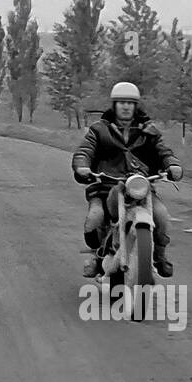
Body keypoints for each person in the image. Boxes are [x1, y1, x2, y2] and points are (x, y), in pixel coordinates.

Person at [72, 82, 183, 278]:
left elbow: (163, 150)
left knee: (162, 216)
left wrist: (172, 164)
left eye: (130, 103)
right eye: (121, 102)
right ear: (114, 105)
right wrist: (82, 166)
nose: (125, 107)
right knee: (95, 218)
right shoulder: (99, 130)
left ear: (135, 106)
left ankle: (159, 255)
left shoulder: (149, 131)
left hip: (140, 187)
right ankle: (98, 257)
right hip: (107, 186)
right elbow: (85, 150)